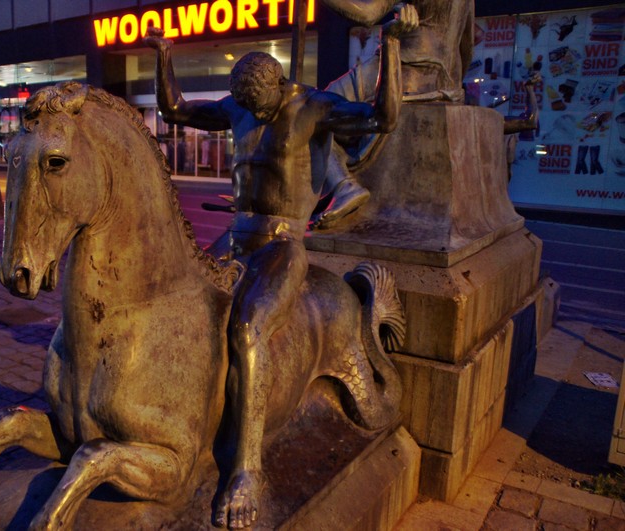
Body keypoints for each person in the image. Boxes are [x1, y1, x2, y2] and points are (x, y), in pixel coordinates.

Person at [144, 6, 418, 529]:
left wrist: (390, 46)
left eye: (263, 107)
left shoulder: (313, 107)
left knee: (248, 330)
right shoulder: (239, 107)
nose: (256, 116)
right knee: (177, 301)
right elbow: (175, 109)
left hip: (282, 245)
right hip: (235, 237)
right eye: (247, 108)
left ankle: (246, 469)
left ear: (280, 86)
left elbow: (382, 118)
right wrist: (163, 54)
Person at [313, 0, 475, 230]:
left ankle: (344, 186)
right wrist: (451, 84)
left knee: (314, 109)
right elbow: (467, 46)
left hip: (404, 66)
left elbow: (367, 14)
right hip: (444, 79)